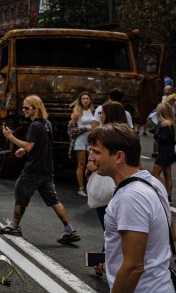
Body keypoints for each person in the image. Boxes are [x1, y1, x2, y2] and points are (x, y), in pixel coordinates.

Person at [87, 123, 176, 291]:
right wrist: (113, 263)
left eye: (96, 152)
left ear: (119, 157)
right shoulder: (152, 182)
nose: (90, 157)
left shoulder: (130, 197)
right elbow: (170, 234)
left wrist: (124, 267)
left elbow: (133, 267)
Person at [1, 95, 80, 245]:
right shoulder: (46, 123)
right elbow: (42, 143)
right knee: (54, 200)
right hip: (47, 169)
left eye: (26, 108)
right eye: (23, 107)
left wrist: (11, 137)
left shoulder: (34, 126)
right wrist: (23, 150)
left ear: (35, 109)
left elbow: (30, 145)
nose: (23, 110)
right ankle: (70, 230)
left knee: (20, 193)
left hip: (34, 169)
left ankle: (15, 226)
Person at [68, 92, 94, 197]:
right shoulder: (77, 112)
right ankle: (81, 188)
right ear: (80, 100)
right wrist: (84, 128)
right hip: (80, 140)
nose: (85, 100)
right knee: (81, 164)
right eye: (83, 99)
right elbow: (71, 129)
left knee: (92, 163)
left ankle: (90, 186)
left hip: (90, 141)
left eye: (87, 98)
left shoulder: (92, 111)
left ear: (90, 100)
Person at [151, 102, 176, 201]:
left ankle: (163, 193)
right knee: (167, 174)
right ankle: (168, 196)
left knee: (155, 173)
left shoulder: (164, 124)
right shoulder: (172, 122)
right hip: (170, 151)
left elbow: (162, 139)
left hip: (164, 151)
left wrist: (156, 133)